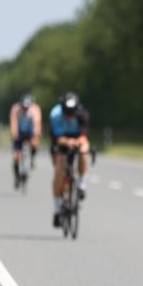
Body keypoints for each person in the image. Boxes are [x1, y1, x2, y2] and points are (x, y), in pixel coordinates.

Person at [48, 91, 91, 226]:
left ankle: (82, 184)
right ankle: (57, 209)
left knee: (84, 150)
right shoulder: (56, 115)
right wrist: (67, 142)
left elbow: (84, 136)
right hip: (60, 140)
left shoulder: (82, 115)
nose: (70, 117)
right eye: (67, 114)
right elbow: (58, 138)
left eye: (72, 114)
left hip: (77, 137)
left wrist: (78, 142)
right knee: (59, 172)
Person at [9, 94, 42, 188]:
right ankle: (17, 177)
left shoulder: (35, 109)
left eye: (27, 107)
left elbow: (37, 123)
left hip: (30, 131)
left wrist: (36, 134)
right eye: (23, 107)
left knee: (35, 143)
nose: (25, 109)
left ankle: (32, 157)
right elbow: (13, 122)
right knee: (16, 157)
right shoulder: (16, 109)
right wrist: (14, 133)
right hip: (19, 133)